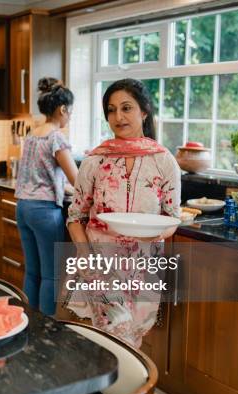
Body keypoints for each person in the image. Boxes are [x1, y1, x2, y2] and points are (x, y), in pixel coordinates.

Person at [66, 78, 181, 347]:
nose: (118, 116)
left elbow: (172, 217)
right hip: (101, 265)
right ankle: (119, 388)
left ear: (144, 111)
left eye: (126, 108)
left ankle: (128, 387)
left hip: (145, 266)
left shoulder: (164, 161)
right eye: (111, 109)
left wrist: (154, 235)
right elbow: (75, 217)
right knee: (116, 336)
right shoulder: (95, 160)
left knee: (134, 338)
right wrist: (88, 260)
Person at [15, 78, 78, 315]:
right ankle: (47, 329)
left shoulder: (33, 134)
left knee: (32, 271)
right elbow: (77, 179)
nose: (70, 117)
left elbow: (40, 172)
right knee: (51, 275)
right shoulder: (56, 137)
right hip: (44, 211)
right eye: (70, 112)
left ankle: (29, 323)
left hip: (23, 207)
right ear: (62, 109)